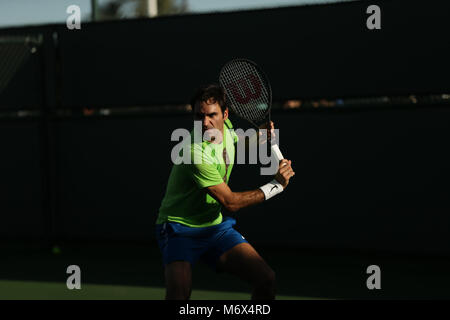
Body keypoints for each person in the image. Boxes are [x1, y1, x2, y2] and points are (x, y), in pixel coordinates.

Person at [155, 84, 295, 300]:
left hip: (213, 226)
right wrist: (275, 185)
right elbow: (231, 202)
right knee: (179, 296)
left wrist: (261, 136)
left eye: (212, 115)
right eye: (198, 116)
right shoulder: (194, 152)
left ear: (225, 115)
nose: (205, 123)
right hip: (179, 228)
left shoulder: (227, 129)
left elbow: (235, 145)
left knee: (266, 279)